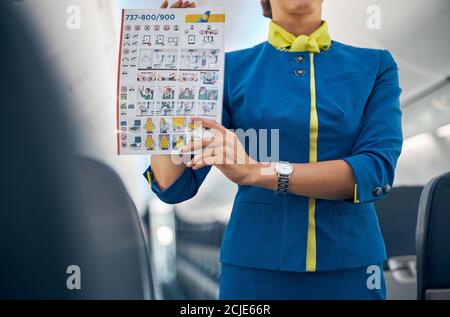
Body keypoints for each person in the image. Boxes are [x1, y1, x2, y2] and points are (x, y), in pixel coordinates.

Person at [146, 0, 402, 299]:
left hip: (352, 269)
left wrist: (257, 172)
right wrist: (164, 71)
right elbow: (174, 185)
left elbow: (375, 171)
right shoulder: (229, 71)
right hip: (254, 270)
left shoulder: (375, 65)